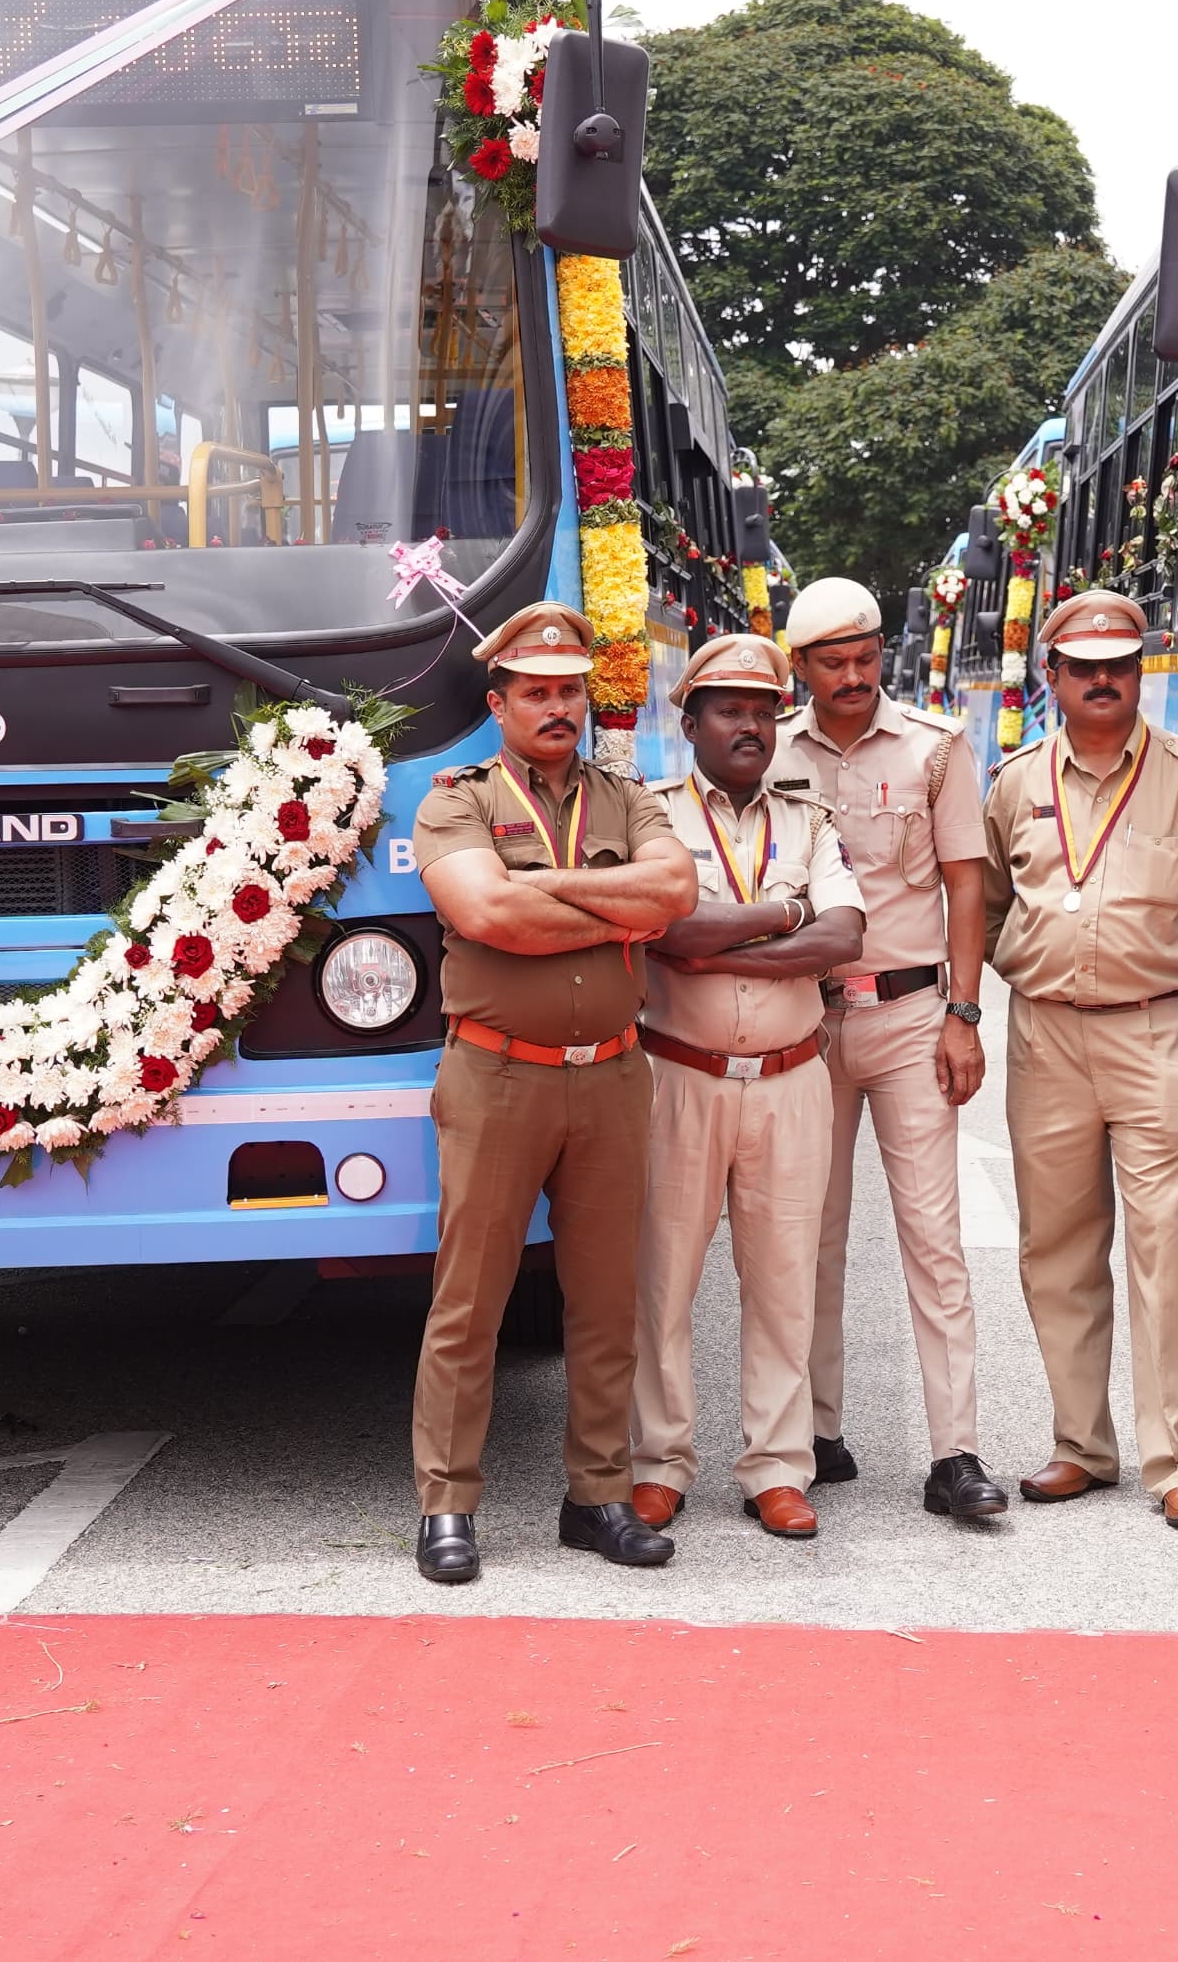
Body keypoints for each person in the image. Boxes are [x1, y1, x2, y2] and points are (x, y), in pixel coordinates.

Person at [404, 601, 696, 1586]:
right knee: (470, 1301)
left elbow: (675, 896)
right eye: (536, 691)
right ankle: (447, 1503)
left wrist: (546, 898)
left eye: (570, 689)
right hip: (495, 1075)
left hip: (612, 1075)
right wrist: (609, 911)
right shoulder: (457, 802)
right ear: (500, 704)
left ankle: (597, 1494)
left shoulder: (629, 799)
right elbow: (484, 911)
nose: (558, 706)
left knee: (607, 1301)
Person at [982, 588, 1178, 1532]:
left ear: (1140, 672)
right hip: (1046, 1034)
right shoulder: (1016, 783)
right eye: (1085, 666)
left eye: (1121, 664)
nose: (1104, 679)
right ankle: (1080, 1445)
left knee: (1161, 1251)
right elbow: (985, 910)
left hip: (1153, 1033)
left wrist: (1176, 991)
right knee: (1055, 1250)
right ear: (1052, 677)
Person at [779, 574, 1006, 1524]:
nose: (854, 677)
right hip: (807, 1019)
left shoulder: (935, 748)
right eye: (833, 663)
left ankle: (954, 1451)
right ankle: (815, 1435)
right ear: (802, 668)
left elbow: (967, 885)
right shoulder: (774, 752)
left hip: (913, 1016)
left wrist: (964, 1012)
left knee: (933, 1239)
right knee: (808, 1233)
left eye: (867, 658)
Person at [627, 631, 863, 1540]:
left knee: (782, 1282)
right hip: (677, 1077)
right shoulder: (650, 819)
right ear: (688, 723)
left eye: (765, 711)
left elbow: (844, 938)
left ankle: (775, 1465)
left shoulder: (809, 819)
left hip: (790, 1080)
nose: (752, 726)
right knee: (664, 1281)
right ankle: (659, 1463)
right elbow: (667, 933)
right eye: (731, 710)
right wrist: (783, 915)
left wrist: (727, 933)